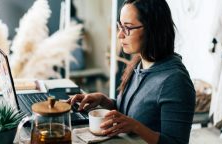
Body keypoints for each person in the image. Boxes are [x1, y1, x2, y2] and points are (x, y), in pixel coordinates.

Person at [67, 0, 196, 143]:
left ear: (152, 28)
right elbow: (133, 113)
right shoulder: (139, 63)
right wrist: (104, 101)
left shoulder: (175, 81)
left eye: (127, 27)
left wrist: (136, 127)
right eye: (120, 26)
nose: (120, 35)